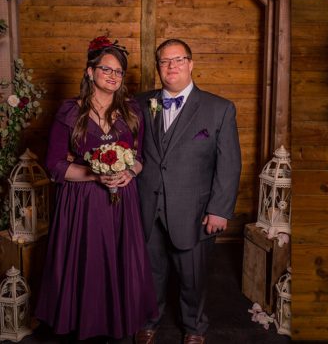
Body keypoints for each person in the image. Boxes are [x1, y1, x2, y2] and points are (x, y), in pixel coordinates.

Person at [36, 37, 158, 342]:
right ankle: (83, 323)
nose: (114, 76)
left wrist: (128, 172)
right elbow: (54, 164)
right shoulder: (69, 111)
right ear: (90, 72)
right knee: (87, 263)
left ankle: (117, 322)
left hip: (122, 200)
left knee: (119, 263)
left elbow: (140, 158)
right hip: (82, 202)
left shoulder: (132, 111)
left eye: (119, 72)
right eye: (107, 69)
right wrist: (94, 174)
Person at [133, 39, 241, 344]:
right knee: (150, 273)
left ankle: (194, 327)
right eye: (165, 61)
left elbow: (229, 164)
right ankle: (149, 320)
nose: (172, 67)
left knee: (192, 278)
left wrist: (219, 209)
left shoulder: (219, 109)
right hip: (147, 207)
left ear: (191, 64)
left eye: (178, 60)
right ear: (158, 67)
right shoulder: (139, 104)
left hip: (193, 212)